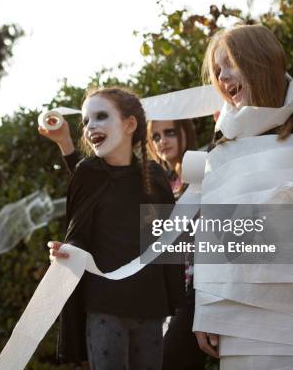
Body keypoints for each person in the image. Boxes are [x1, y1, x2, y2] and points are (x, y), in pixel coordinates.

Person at [192, 24, 293, 370]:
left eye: (229, 64)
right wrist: (207, 308)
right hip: (239, 313)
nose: (222, 77)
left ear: (259, 61)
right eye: (217, 70)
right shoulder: (223, 143)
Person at [40, 117, 206, 369]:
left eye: (170, 132)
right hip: (158, 296)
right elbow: (101, 185)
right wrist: (65, 143)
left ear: (186, 132)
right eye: (156, 136)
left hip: (194, 291)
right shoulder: (153, 179)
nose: (162, 141)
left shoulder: (201, 173)